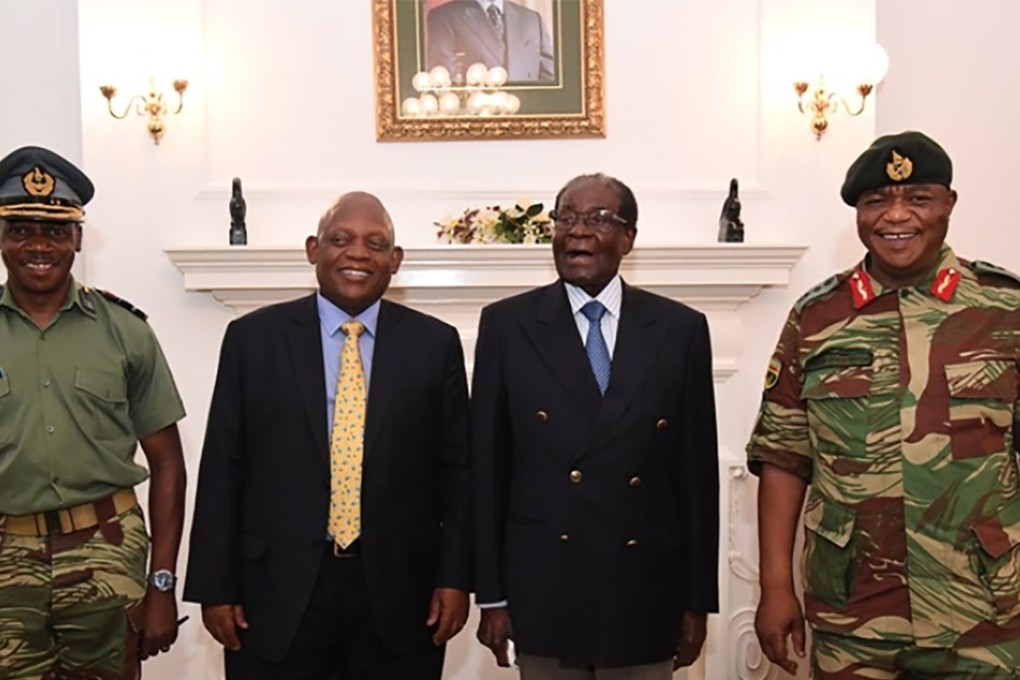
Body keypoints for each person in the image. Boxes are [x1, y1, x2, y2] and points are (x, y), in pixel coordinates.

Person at [748, 130, 1020, 679]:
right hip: (854, 610)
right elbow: (783, 458)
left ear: (948, 203)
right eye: (877, 201)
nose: (897, 216)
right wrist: (775, 588)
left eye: (919, 198)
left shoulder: (1005, 308)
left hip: (984, 607)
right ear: (858, 213)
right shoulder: (816, 317)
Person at [184, 191, 472, 679]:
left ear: (395, 260)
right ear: (313, 249)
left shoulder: (434, 344)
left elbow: (458, 475)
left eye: (375, 243)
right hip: (274, 592)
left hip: (400, 594)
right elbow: (222, 467)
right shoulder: (253, 339)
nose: (358, 253)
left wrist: (456, 579)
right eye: (340, 240)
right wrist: (215, 586)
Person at [471, 173, 720, 678]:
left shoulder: (679, 329)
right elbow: (487, 472)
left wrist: (697, 600)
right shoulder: (507, 325)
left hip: (644, 590)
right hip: (543, 589)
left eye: (598, 218)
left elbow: (697, 478)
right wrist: (491, 596)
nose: (578, 230)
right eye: (566, 217)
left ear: (628, 238)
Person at [0, 145, 187, 677]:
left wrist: (162, 584)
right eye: (21, 230)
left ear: (78, 239)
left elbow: (169, 466)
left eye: (56, 231)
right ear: (2, 238)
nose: (39, 245)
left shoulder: (126, 331)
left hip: (107, 552)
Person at [427, 0, 555, 83]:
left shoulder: (532, 19)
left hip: (529, 112)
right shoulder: (444, 16)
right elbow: (444, 77)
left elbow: (549, 75)